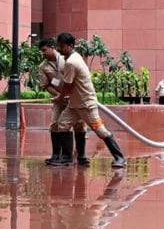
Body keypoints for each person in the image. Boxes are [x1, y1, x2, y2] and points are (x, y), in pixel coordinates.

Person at [52, 32, 127, 169]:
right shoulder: (75, 57)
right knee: (63, 124)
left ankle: (119, 157)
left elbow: (68, 86)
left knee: (100, 131)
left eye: (62, 46)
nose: (59, 49)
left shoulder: (71, 62)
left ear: (70, 46)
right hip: (75, 104)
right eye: (59, 46)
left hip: (86, 104)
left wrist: (59, 98)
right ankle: (70, 157)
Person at [38, 38, 89, 166]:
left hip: (74, 98)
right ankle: (56, 155)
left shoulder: (67, 59)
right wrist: (59, 95)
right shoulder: (43, 67)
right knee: (55, 124)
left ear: (52, 48)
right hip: (59, 100)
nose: (43, 54)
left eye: (44, 50)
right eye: (41, 52)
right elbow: (46, 85)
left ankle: (81, 156)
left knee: (79, 124)